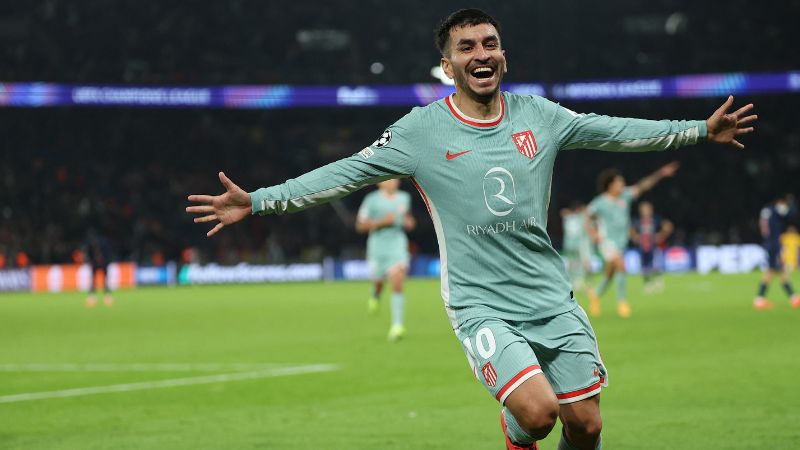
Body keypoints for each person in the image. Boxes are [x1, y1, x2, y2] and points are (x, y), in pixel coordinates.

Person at [186, 9, 756, 450]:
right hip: (481, 305)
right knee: (537, 412)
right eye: (466, 48)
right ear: (448, 65)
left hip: (551, 299)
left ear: (503, 55)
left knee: (585, 424)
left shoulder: (541, 117)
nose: (481, 54)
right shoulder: (420, 132)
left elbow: (616, 131)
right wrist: (259, 202)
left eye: (489, 44)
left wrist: (697, 131)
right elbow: (347, 172)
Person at [587, 162, 678, 318]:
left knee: (610, 274)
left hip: (621, 242)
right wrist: (593, 233)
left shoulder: (625, 196)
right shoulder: (600, 202)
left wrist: (660, 174)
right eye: (619, 182)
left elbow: (643, 186)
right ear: (611, 185)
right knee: (621, 266)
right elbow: (587, 216)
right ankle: (622, 302)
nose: (622, 184)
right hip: (607, 242)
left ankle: (595, 295)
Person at [355, 179, 416, 341]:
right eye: (389, 179)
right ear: (380, 183)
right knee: (379, 282)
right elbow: (360, 226)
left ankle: (397, 326)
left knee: (397, 283)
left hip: (397, 246)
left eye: (395, 178)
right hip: (377, 248)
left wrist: (409, 223)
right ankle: (375, 295)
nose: (394, 182)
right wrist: (382, 222)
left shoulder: (404, 197)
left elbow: (408, 219)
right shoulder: (371, 200)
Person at [753, 194, 800, 310]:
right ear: (780, 201)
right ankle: (759, 299)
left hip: (768, 242)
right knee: (773, 270)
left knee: (777, 269)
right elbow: (790, 214)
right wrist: (792, 204)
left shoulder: (766, 210)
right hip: (774, 243)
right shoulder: (776, 209)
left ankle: (793, 298)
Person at [560, 202, 600, 306]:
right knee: (582, 263)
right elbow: (587, 226)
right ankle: (582, 281)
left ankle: (574, 281)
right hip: (578, 244)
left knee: (573, 263)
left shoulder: (568, 217)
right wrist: (594, 235)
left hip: (568, 244)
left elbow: (563, 212)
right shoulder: (581, 218)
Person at [630, 201, 674, 293]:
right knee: (644, 266)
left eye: (647, 209)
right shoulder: (638, 221)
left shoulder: (656, 219)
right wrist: (635, 237)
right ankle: (648, 283)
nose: (645, 211)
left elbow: (668, 226)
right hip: (642, 247)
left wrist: (661, 236)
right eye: (643, 209)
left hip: (654, 246)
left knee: (655, 265)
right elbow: (631, 230)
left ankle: (658, 282)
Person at [84, 229, 114, 308]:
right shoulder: (90, 245)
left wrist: (107, 262)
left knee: (105, 279)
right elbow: (88, 254)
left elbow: (108, 253)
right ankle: (92, 295)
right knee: (93, 279)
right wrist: (90, 262)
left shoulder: (103, 244)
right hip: (95, 263)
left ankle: (107, 294)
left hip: (103, 263)